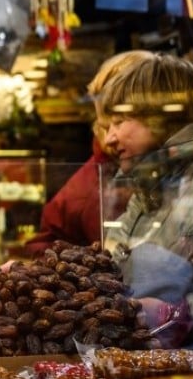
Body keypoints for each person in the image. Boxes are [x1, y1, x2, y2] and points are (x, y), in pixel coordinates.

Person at [100, 53, 193, 352]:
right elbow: (109, 270)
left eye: (120, 121)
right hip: (153, 373)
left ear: (161, 116)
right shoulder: (147, 192)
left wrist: (180, 315)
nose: (108, 138)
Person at [24, 50, 154, 256]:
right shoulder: (95, 183)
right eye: (112, 121)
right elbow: (44, 245)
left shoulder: (141, 167)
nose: (112, 135)